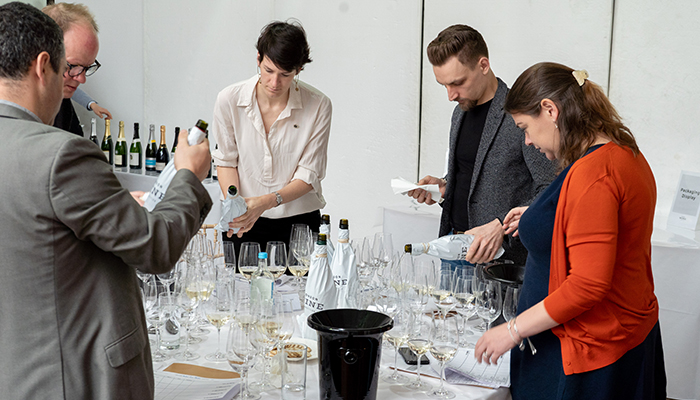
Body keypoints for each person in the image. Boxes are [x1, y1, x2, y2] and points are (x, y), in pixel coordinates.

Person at [0, 3, 212, 399]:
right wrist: (188, 176)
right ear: (43, 65)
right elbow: (155, 247)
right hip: (74, 378)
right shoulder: (60, 154)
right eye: (71, 68)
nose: (77, 82)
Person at [475, 63, 666, 399]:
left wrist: (513, 330)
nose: (528, 142)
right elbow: (600, 224)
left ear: (550, 110)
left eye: (526, 128)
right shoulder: (623, 152)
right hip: (625, 335)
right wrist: (544, 214)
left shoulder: (595, 175)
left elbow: (587, 285)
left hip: (594, 349)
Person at [407, 24, 556, 266]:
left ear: (483, 65)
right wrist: (445, 187)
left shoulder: (520, 115)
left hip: (501, 261)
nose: (450, 95)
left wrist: (500, 225)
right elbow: (475, 178)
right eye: (443, 85)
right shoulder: (460, 113)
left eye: (457, 83)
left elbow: (551, 189)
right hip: (453, 246)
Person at [212, 20, 332, 256]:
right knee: (240, 291)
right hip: (244, 221)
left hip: (299, 224)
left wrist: (266, 202)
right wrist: (237, 204)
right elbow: (226, 161)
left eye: (285, 74)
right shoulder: (229, 99)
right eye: (268, 70)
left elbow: (309, 175)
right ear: (258, 59)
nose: (274, 83)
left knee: (302, 293)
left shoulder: (318, 105)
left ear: (299, 70)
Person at [43, 2, 112, 136]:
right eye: (73, 66)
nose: (82, 79)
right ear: (42, 60)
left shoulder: (63, 104)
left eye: (86, 68)